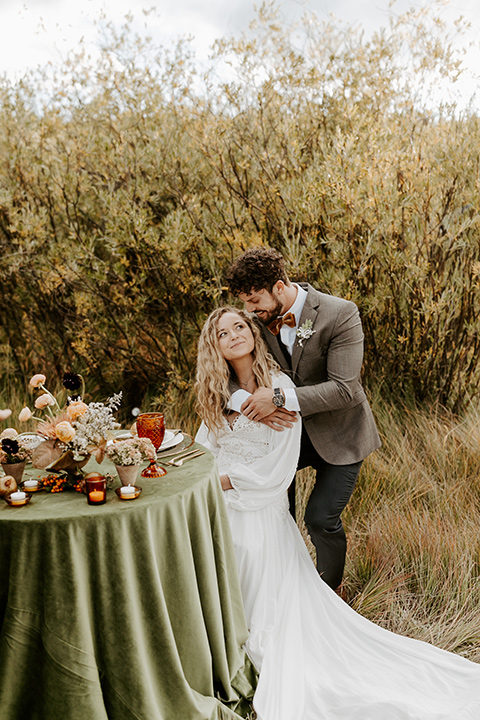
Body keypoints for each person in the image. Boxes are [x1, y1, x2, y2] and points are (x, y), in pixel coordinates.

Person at [194, 306, 480, 720]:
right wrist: (205, 479)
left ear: (255, 335)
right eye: (223, 333)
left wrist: (216, 482)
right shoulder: (218, 393)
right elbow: (207, 449)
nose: (235, 335)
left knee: (252, 548)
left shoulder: (278, 388)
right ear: (214, 346)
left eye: (241, 326)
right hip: (220, 501)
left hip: (255, 502)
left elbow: (276, 466)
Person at [224, 246, 381, 591]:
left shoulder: (340, 314)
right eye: (245, 302)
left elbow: (345, 389)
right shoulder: (255, 320)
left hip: (342, 435)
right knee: (274, 510)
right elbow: (226, 371)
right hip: (283, 437)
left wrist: (278, 397)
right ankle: (283, 589)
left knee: (320, 520)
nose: (249, 311)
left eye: (254, 300)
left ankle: (330, 594)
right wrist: (245, 400)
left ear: (279, 287)